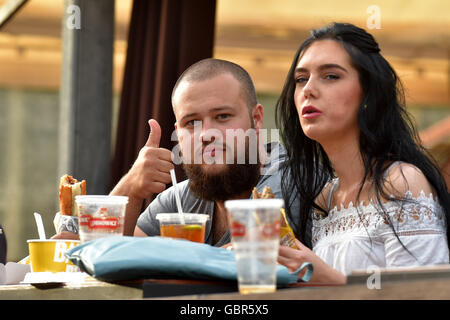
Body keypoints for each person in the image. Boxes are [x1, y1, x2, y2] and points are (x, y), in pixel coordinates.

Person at [54, 58, 305, 247]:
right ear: (178, 132)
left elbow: (250, 255)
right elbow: (100, 254)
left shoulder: (290, 179)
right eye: (191, 123)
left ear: (257, 118)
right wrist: (132, 187)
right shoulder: (176, 201)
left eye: (223, 116)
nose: (207, 134)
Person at [275, 22, 450, 284]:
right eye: (301, 79)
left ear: (369, 93)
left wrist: (328, 279)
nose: (308, 89)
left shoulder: (401, 182)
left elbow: (422, 294)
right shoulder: (325, 199)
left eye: (331, 76)